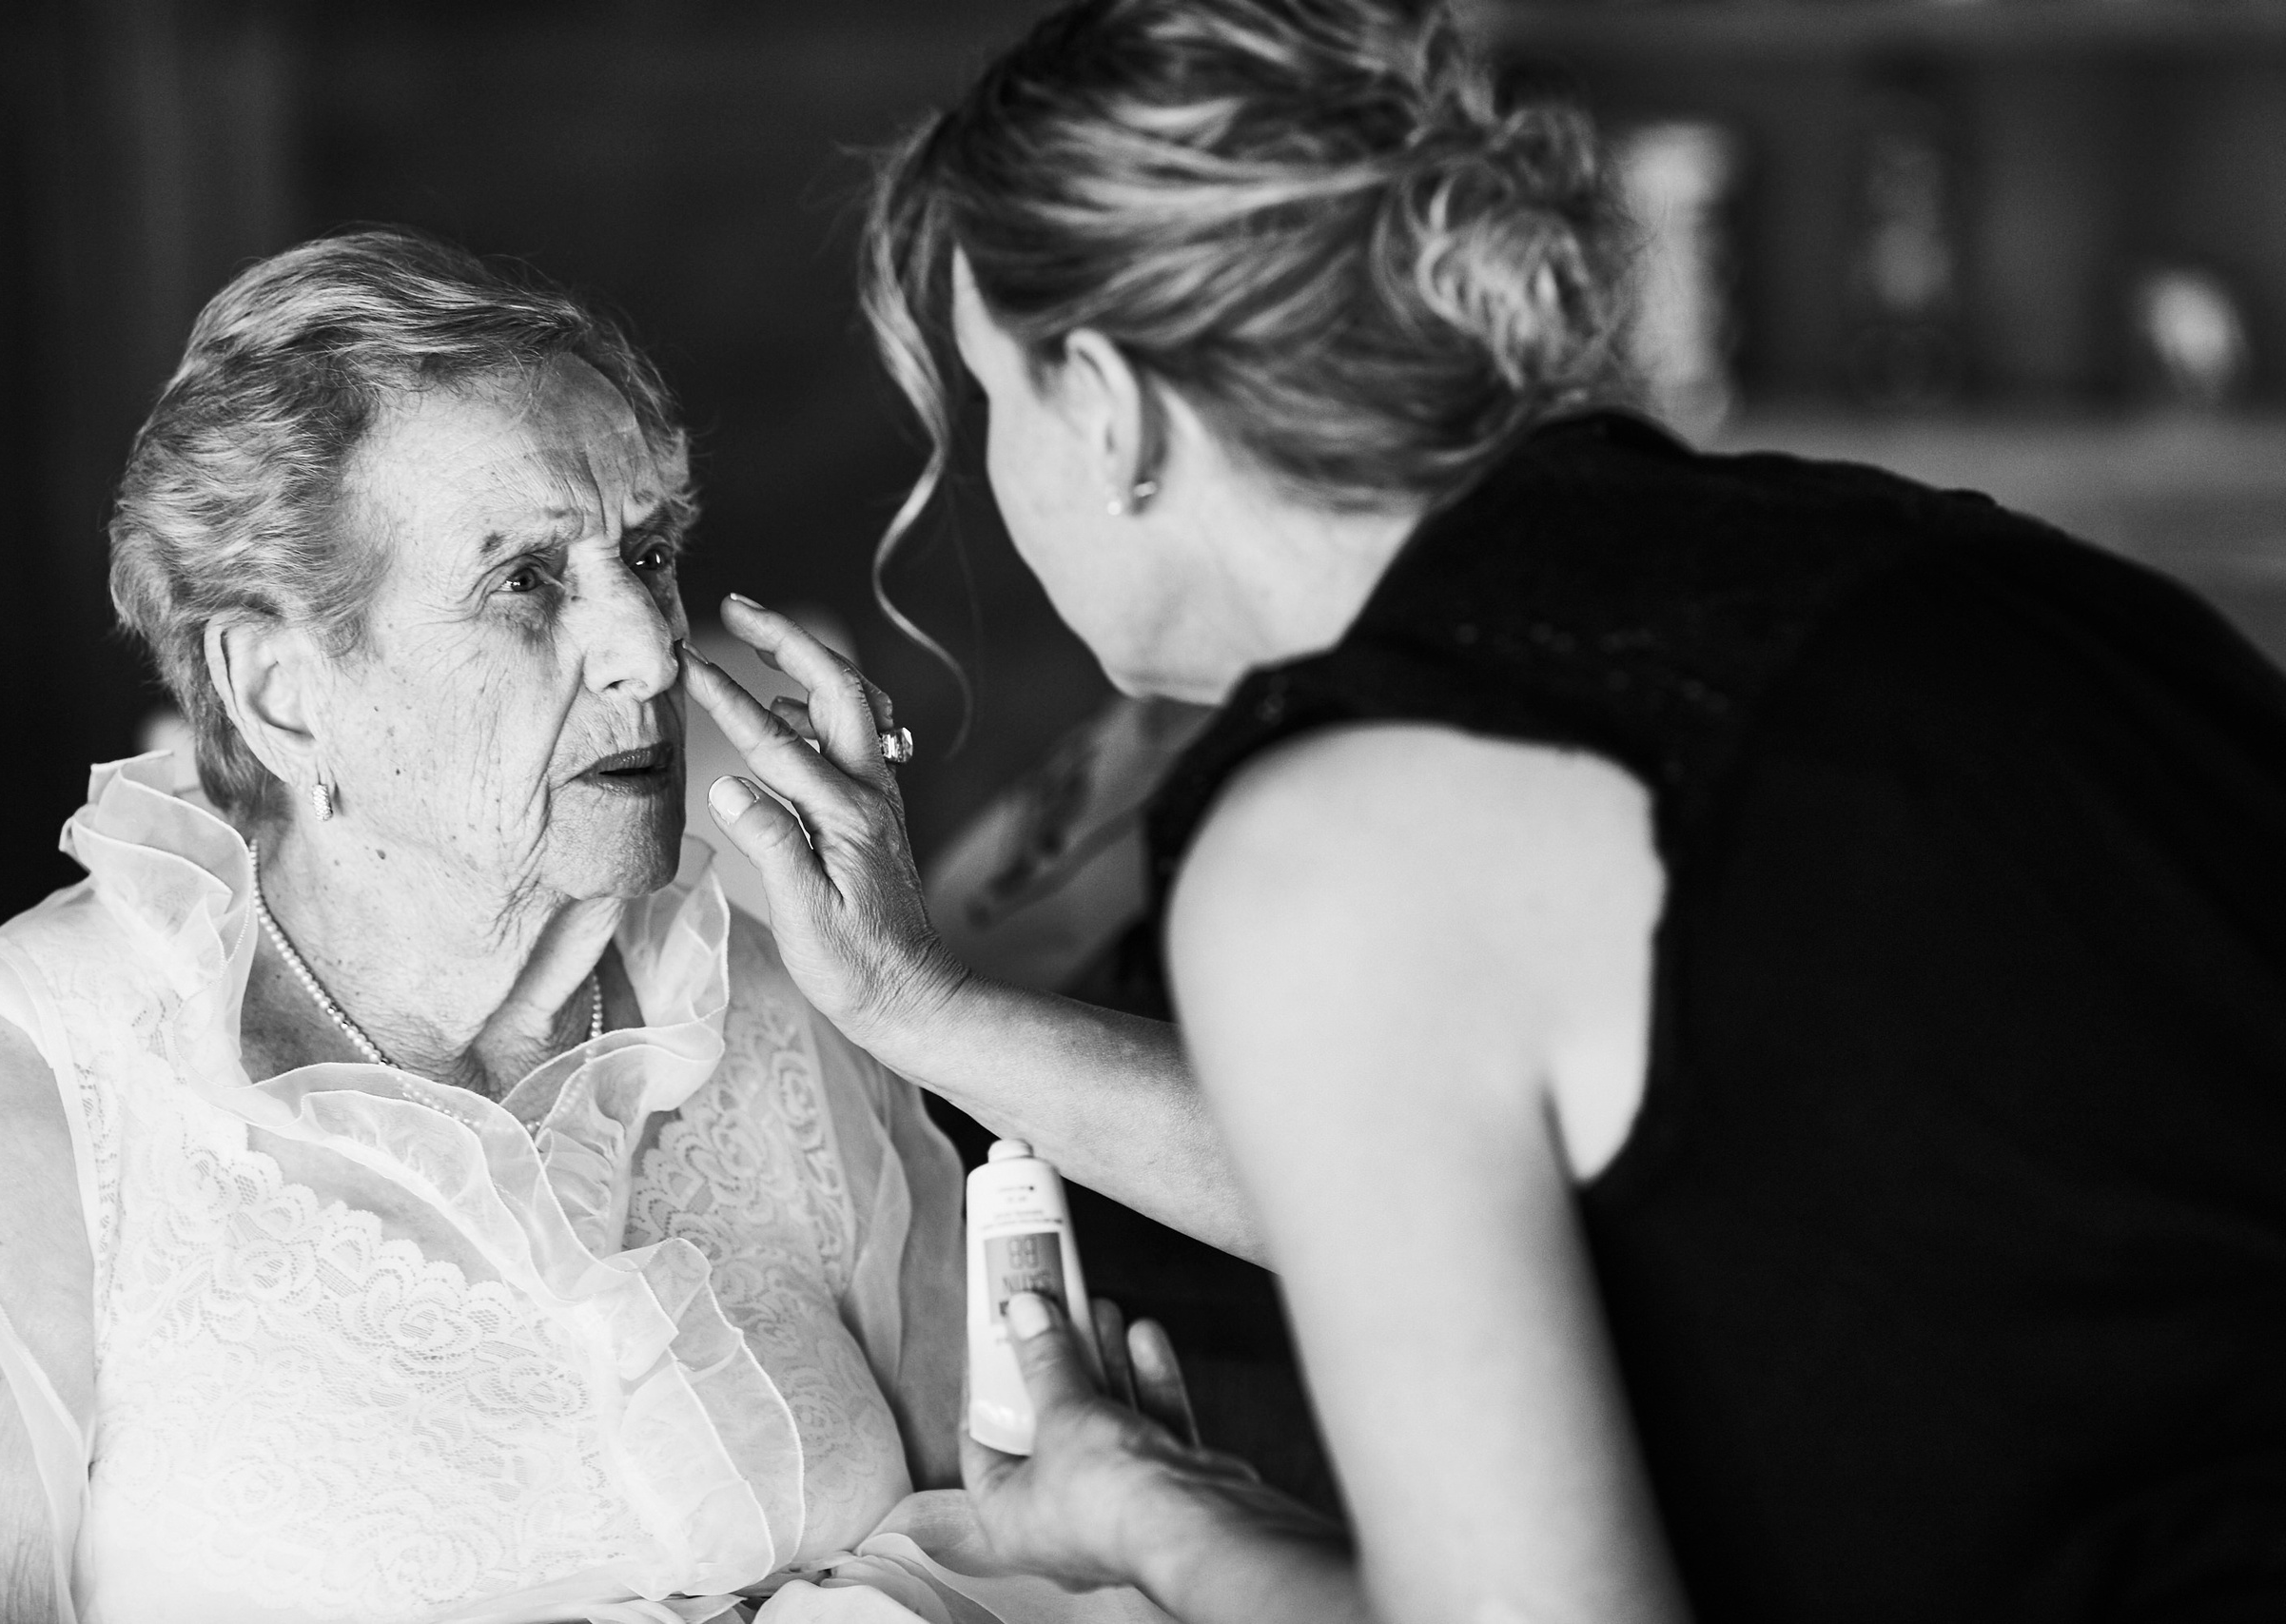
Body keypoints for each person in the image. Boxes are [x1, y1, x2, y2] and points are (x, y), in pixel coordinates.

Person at [675, 1, 2286, 1620]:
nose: (991, 469)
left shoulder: (1344, 844)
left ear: (1109, 407)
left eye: (990, 398)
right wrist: (912, 1001)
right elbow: (1567, 1138)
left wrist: (1163, 1528)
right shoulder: (1971, 579)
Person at [0, 229, 1174, 1624]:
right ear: (283, 692)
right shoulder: (25, 1098)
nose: (653, 652)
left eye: (649, 553)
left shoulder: (765, 1001)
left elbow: (1021, 1534)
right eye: (525, 581)